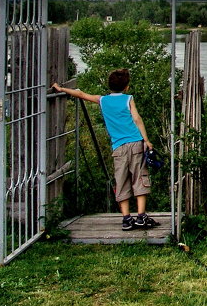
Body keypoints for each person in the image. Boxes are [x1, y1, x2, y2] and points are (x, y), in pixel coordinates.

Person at [52, 69, 158, 230]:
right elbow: (136, 118)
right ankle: (141, 216)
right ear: (126, 87)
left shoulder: (102, 100)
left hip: (118, 147)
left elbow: (81, 94)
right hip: (135, 142)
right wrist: (147, 140)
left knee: (121, 180)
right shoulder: (128, 99)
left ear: (109, 86)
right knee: (140, 177)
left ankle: (126, 218)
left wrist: (62, 89)